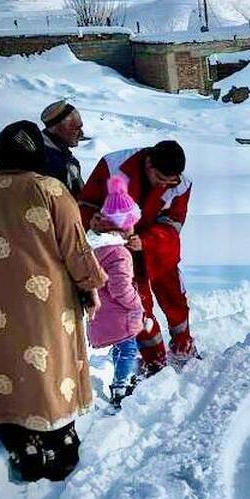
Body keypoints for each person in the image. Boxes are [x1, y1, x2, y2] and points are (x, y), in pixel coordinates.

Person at [0, 120, 106, 482]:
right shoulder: (51, 190)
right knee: (49, 360)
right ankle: (59, 439)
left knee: (1, 359)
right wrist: (90, 285)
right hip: (46, 300)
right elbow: (76, 249)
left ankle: (17, 438)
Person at [78, 140, 195, 373]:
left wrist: (148, 241)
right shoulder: (113, 165)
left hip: (159, 249)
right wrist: (92, 220)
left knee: (174, 298)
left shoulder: (181, 184)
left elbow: (173, 223)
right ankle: (155, 360)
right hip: (119, 250)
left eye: (169, 182)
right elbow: (86, 203)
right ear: (149, 164)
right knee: (137, 307)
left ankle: (183, 346)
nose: (164, 185)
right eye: (161, 179)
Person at [85, 175, 145, 408]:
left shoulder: (96, 247)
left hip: (102, 312)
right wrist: (135, 304)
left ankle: (121, 378)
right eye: (131, 223)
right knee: (129, 348)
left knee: (121, 348)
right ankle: (122, 386)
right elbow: (120, 286)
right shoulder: (119, 253)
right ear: (123, 225)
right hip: (120, 313)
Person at [39, 100, 85, 197]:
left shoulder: (67, 159)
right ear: (59, 129)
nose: (81, 134)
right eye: (76, 128)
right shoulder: (46, 163)